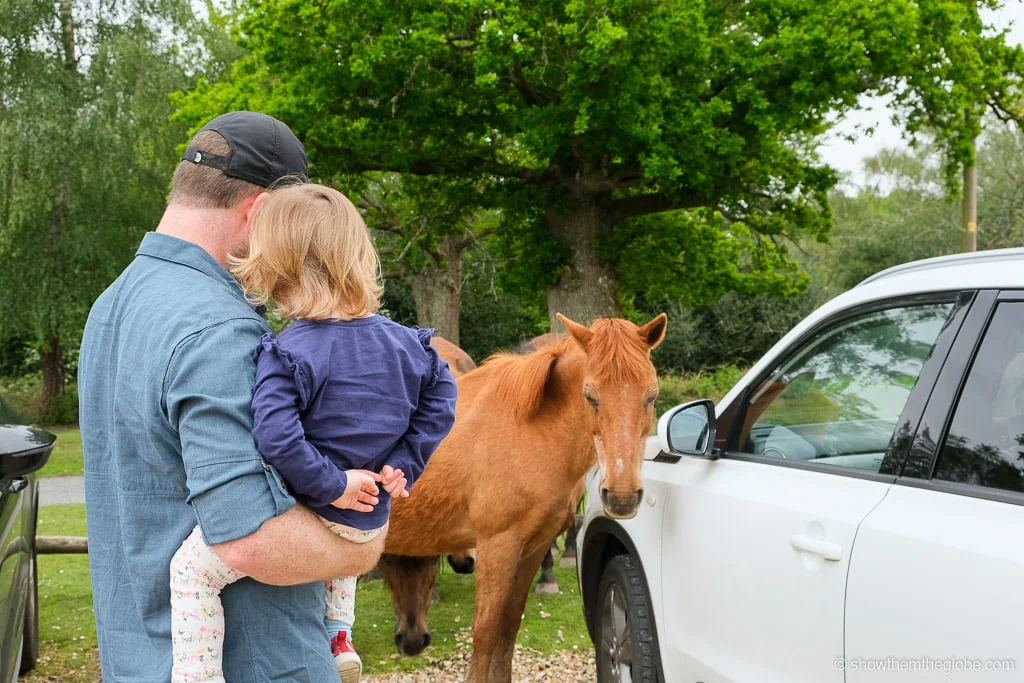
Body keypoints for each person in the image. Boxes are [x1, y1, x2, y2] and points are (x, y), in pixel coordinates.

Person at [79, 112, 385, 682]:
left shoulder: (111, 307)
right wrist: (364, 543)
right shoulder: (223, 331)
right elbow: (250, 539)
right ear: (263, 211)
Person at [168, 183, 458, 683]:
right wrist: (404, 463)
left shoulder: (286, 353)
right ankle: (339, 634)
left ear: (274, 268)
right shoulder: (412, 347)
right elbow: (443, 400)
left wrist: (333, 484)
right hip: (369, 517)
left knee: (191, 573)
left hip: (320, 507)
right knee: (344, 551)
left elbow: (277, 438)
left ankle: (197, 674)